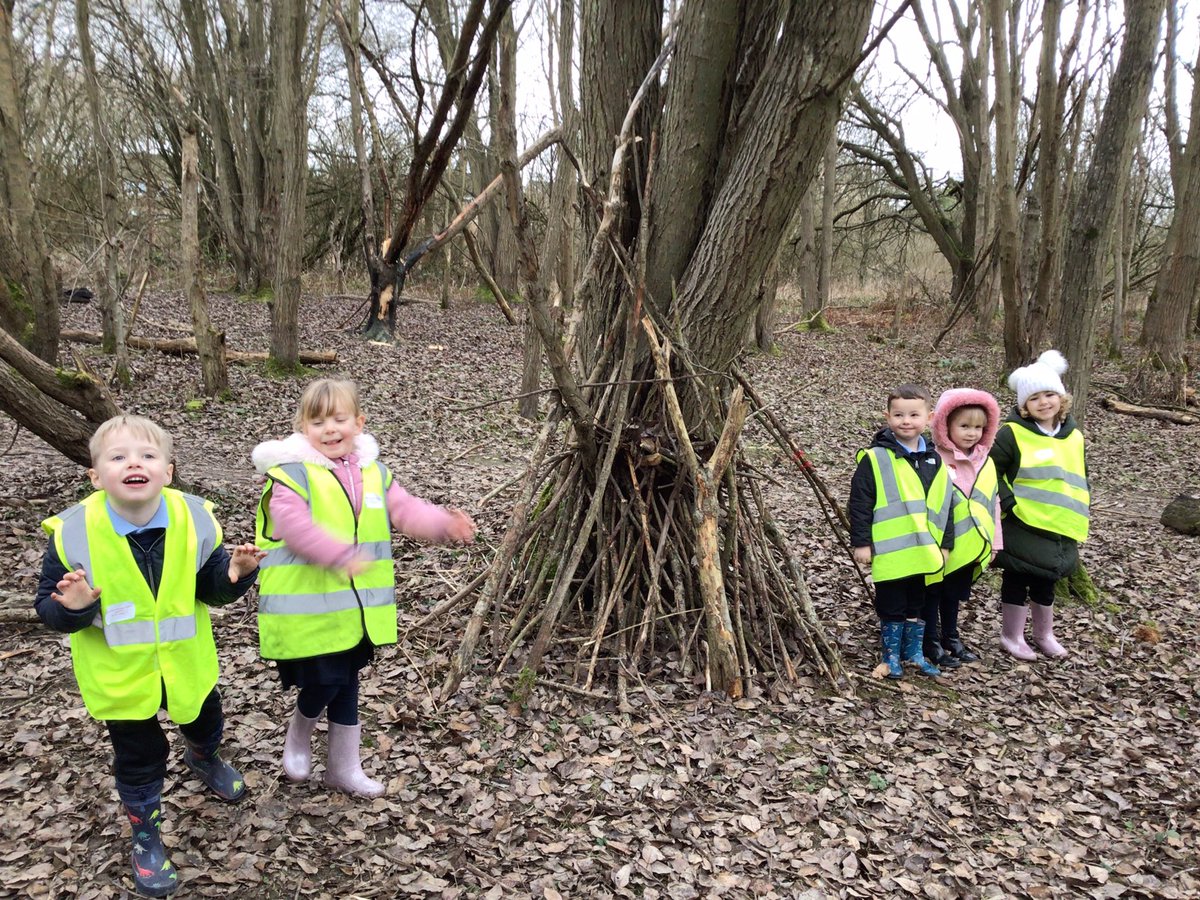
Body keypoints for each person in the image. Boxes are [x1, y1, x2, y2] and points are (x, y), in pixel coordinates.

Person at [36, 415, 264, 898]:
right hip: (122, 676)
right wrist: (74, 608)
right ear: (96, 476)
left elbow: (209, 586)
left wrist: (235, 575)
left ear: (168, 470)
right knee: (140, 758)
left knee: (205, 721)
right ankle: (146, 836)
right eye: (117, 457)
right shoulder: (72, 533)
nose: (133, 463)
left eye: (147, 456)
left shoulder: (195, 516)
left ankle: (204, 758)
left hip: (186, 663)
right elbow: (48, 610)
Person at [252, 378, 476, 798]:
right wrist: (339, 554)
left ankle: (343, 767)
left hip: (356, 612)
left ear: (359, 422)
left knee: (348, 679)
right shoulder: (290, 477)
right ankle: (300, 728)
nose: (330, 429)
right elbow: (293, 527)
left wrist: (445, 524)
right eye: (318, 422)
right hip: (308, 614)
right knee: (327, 678)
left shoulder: (374, 473)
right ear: (303, 427)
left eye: (339, 419)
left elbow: (407, 511)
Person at [989, 350, 1089, 660]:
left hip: (1061, 523)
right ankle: (1012, 635)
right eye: (1035, 398)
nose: (1044, 402)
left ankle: (1044, 634)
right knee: (1018, 577)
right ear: (1024, 405)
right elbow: (991, 470)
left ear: (1061, 397)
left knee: (1048, 578)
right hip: (1023, 520)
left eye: (1050, 394)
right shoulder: (1012, 433)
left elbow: (1079, 474)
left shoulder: (1074, 436)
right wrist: (1009, 502)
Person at [849, 384, 954, 679]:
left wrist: (944, 544)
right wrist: (861, 542)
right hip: (891, 551)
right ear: (887, 417)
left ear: (929, 418)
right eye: (898, 415)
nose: (906, 421)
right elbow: (860, 502)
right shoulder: (876, 458)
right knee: (891, 604)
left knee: (917, 603)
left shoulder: (935, 460)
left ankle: (914, 653)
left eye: (913, 415)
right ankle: (891, 656)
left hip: (924, 551)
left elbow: (946, 506)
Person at [923, 388, 1003, 669]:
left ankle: (951, 637)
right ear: (946, 425)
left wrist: (994, 542)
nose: (971, 433)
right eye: (964, 426)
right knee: (932, 591)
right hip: (939, 542)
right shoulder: (933, 458)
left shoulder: (987, 462)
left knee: (953, 593)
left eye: (978, 427)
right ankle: (930, 640)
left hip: (971, 544)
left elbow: (992, 502)